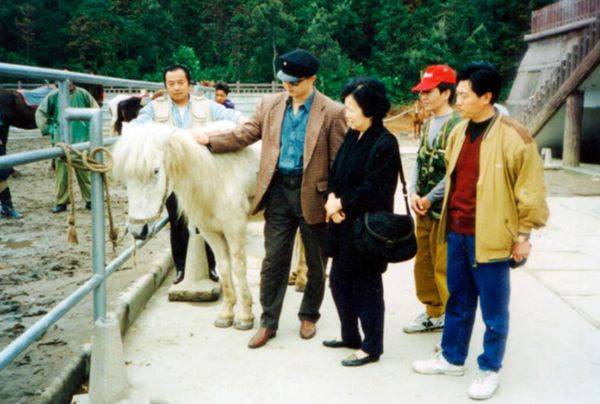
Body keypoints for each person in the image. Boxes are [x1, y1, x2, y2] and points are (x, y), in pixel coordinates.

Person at [412, 62, 549, 400]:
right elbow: (453, 181)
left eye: (464, 95)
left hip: (492, 236)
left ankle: (489, 369)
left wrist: (523, 237)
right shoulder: (459, 132)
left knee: (494, 309)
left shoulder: (516, 136)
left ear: (486, 96)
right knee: (457, 300)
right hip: (456, 230)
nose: (458, 101)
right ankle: (452, 357)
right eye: (457, 93)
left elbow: (530, 191)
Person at [194, 49, 347, 349]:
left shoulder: (331, 111)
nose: (287, 87)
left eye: (294, 82)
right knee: (274, 259)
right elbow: (246, 134)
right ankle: (269, 321)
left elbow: (338, 160)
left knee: (316, 260)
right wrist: (211, 141)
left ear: (312, 79)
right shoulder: (271, 105)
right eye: (284, 81)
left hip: (312, 191)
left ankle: (308, 314)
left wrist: (335, 197)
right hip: (277, 190)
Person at [133, 64, 245, 285]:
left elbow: (231, 116)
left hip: (203, 177)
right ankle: (182, 267)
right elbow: (140, 126)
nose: (176, 87)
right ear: (165, 86)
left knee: (208, 221)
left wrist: (245, 123)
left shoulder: (206, 106)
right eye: (171, 84)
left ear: (189, 84)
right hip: (173, 178)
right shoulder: (154, 108)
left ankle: (211, 267)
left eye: (180, 82)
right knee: (177, 221)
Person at [322, 77, 400, 367]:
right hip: (342, 223)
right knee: (339, 283)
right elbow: (336, 172)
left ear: (370, 109)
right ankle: (350, 335)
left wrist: (340, 203)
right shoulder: (353, 136)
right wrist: (332, 198)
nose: (347, 113)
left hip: (366, 229)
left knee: (367, 286)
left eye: (351, 108)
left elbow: (374, 189)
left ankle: (371, 346)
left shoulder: (384, 143)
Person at [404, 65, 461, 334]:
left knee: (443, 265)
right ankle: (432, 312)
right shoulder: (427, 123)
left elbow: (454, 172)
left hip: (444, 210)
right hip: (422, 208)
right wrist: (413, 192)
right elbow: (419, 159)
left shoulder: (459, 126)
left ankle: (451, 321)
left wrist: (429, 197)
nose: (423, 97)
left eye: (429, 91)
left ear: (446, 92)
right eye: (422, 92)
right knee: (423, 262)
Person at [36, 82, 99, 213]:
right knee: (62, 175)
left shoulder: (83, 94)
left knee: (85, 173)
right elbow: (41, 113)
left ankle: (90, 200)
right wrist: (48, 129)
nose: (67, 83)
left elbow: (96, 110)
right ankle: (61, 202)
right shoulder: (52, 96)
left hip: (81, 140)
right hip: (61, 141)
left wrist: (92, 130)